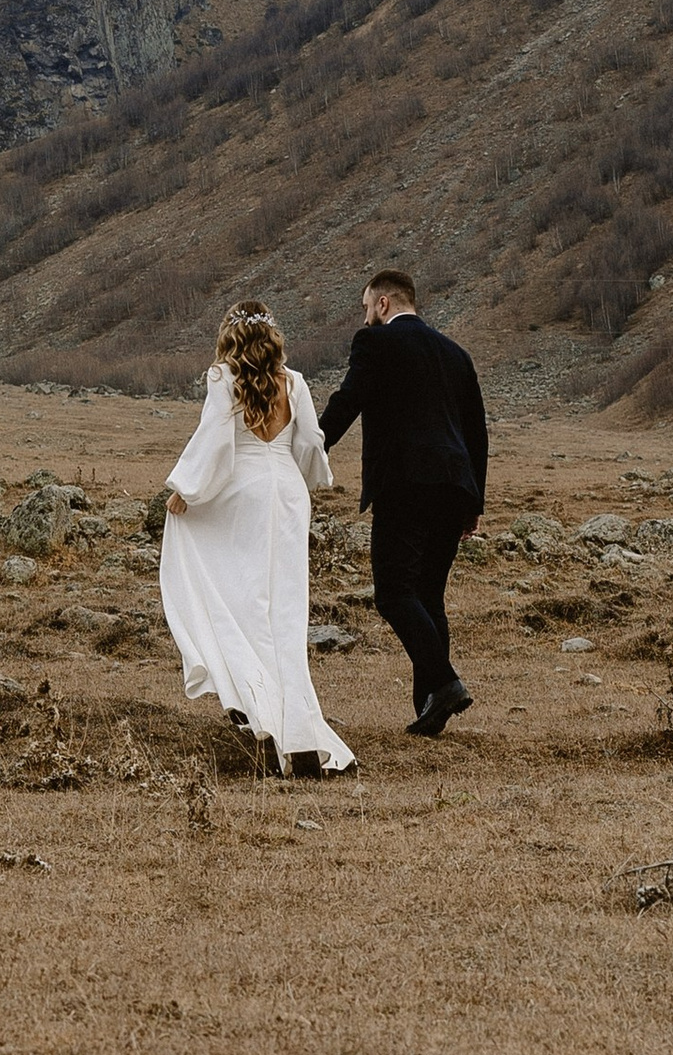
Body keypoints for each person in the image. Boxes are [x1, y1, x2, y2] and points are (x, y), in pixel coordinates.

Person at [159, 302, 354, 777]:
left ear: (231, 336)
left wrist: (187, 490)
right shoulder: (296, 383)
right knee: (286, 613)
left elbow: (214, 439)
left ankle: (259, 715)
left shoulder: (223, 377)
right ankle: (300, 737)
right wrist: (306, 477)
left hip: (241, 493)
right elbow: (311, 444)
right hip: (286, 495)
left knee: (238, 602)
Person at [317, 268, 486, 738]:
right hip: (455, 486)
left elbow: (347, 400)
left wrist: (309, 449)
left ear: (384, 303)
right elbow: (476, 432)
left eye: (366, 306)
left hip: (405, 484)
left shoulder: (375, 343)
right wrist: (475, 501)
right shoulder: (456, 353)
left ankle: (445, 683)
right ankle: (430, 708)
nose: (364, 316)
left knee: (393, 593)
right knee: (428, 595)